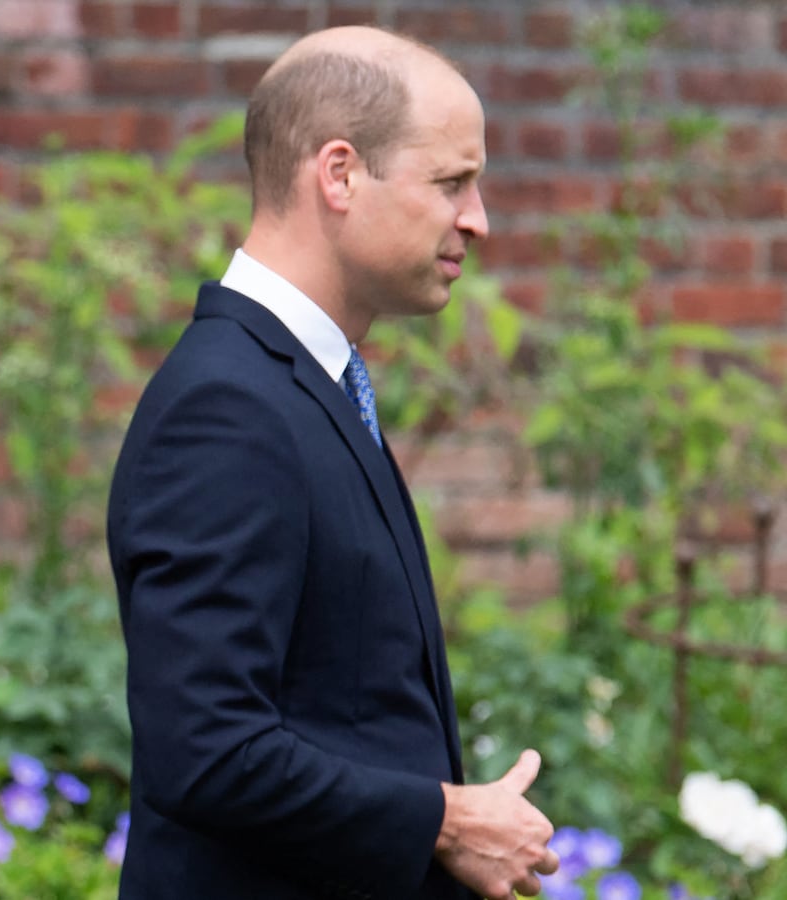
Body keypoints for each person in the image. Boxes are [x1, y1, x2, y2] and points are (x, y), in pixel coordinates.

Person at [107, 26, 558, 900]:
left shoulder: (307, 384)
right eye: (451, 183)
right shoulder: (227, 410)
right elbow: (205, 749)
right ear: (339, 174)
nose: (478, 219)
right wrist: (445, 819)